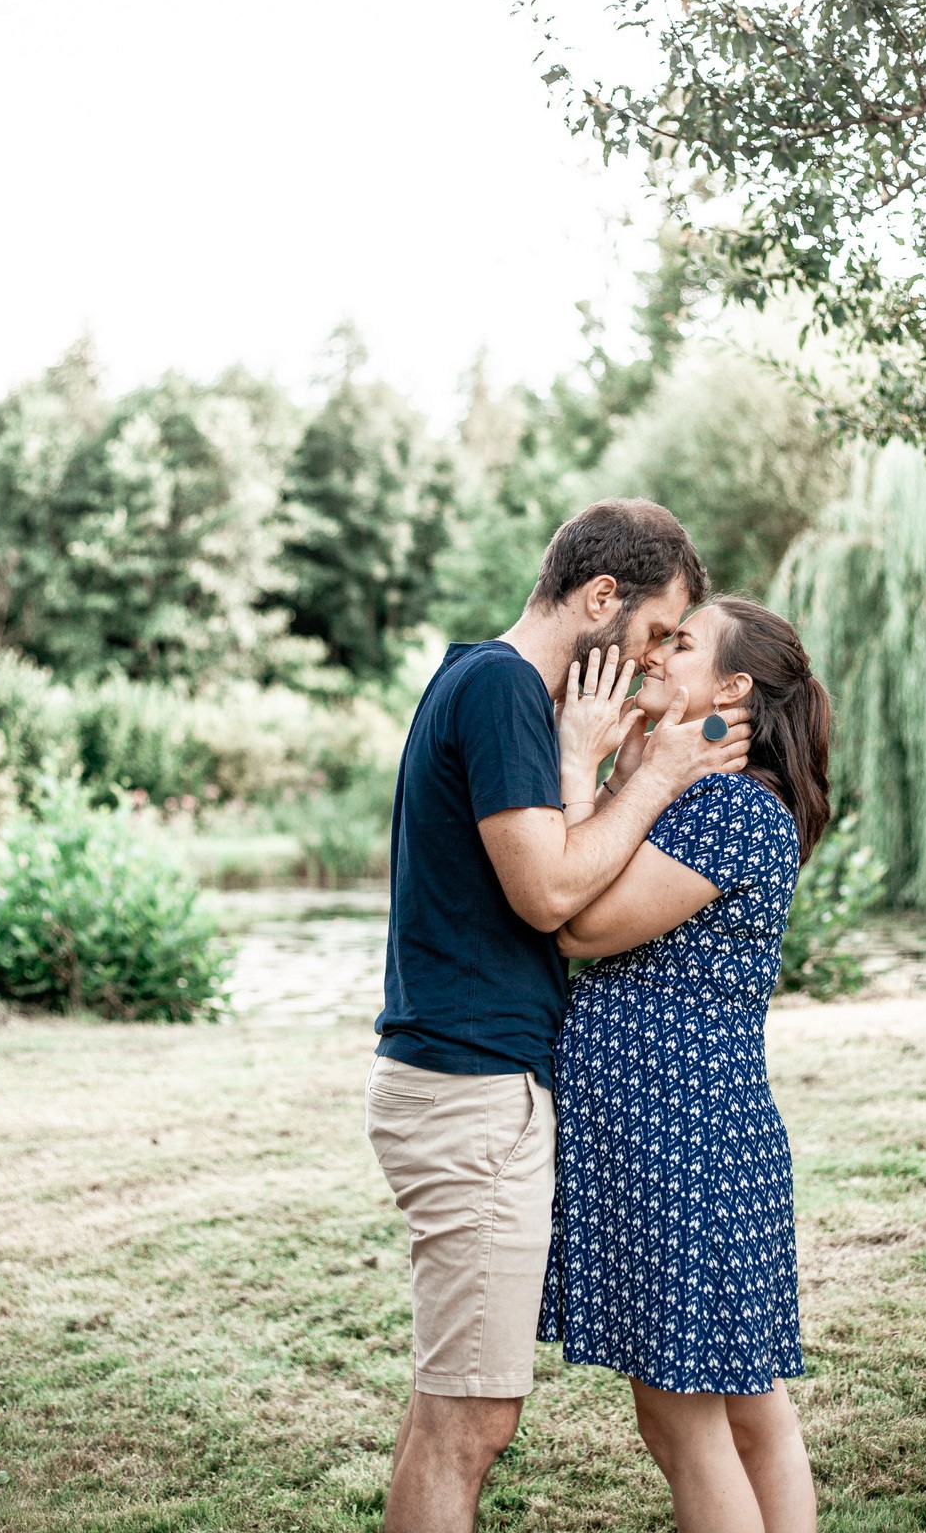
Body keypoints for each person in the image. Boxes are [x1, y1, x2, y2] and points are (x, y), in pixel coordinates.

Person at [365, 499, 752, 1533]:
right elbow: (548, 897)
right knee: (471, 1421)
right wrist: (662, 772)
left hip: (460, 1084)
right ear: (597, 600)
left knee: (448, 1403)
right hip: (470, 1091)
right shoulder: (497, 689)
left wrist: (595, 764)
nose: (660, 654)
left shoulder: (483, 681)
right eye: (658, 631)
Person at [540, 596, 831, 1533]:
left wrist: (579, 767)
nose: (657, 652)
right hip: (685, 1129)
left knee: (684, 1418)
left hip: (682, 1136)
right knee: (747, 1408)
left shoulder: (731, 808)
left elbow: (578, 922)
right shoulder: (705, 797)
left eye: (682, 642)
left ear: (734, 687)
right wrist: (638, 771)